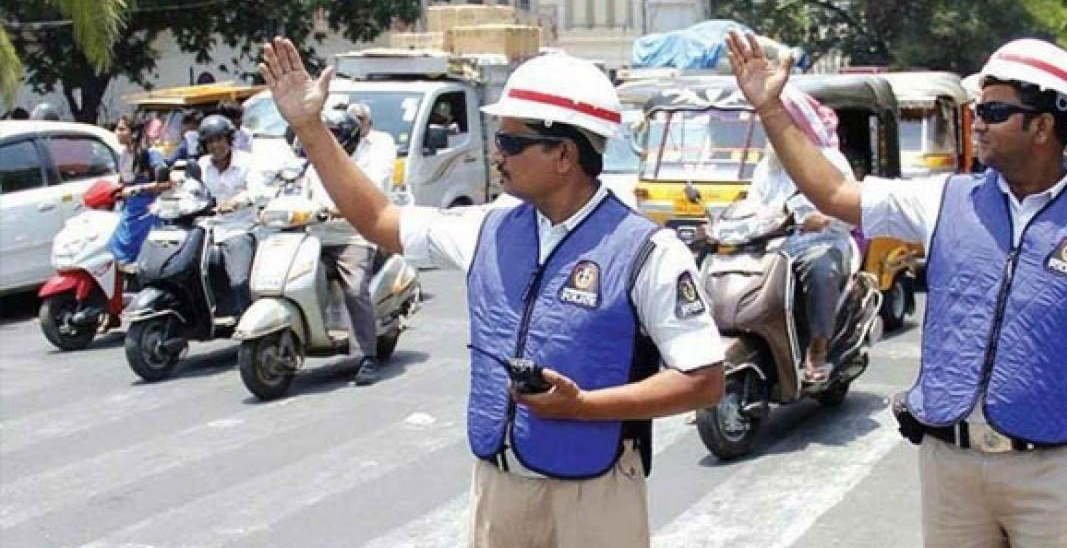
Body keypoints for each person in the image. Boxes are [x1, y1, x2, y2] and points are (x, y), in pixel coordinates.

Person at [260, 36, 724, 547]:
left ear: (565, 154)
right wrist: (310, 126)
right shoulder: (487, 228)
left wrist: (585, 406)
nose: (495, 154)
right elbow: (379, 219)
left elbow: (703, 381)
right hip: (501, 488)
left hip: (596, 497)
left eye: (510, 142)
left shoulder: (648, 252)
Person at [726, 32, 1067, 546]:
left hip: (1052, 475)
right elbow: (832, 192)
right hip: (951, 469)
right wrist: (770, 109)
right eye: (977, 109)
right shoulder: (946, 199)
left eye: (994, 110)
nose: (977, 121)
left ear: (1043, 125)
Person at [748, 109, 855, 383]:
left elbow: (851, 212)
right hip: (777, 242)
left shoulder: (830, 160)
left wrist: (827, 218)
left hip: (824, 241)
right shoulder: (767, 166)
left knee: (820, 268)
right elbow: (753, 208)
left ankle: (818, 348)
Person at [300, 109, 390, 386]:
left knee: (355, 289)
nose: (331, 141)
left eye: (336, 135)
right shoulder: (314, 166)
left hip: (353, 236)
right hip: (316, 238)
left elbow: (375, 196)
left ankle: (367, 357)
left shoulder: (367, 165)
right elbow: (302, 198)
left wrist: (344, 210)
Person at [196, 114, 260, 316]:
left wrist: (236, 202)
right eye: (210, 142)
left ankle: (248, 317)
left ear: (229, 140)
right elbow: (190, 188)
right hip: (207, 228)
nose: (215, 146)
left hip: (239, 227)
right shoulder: (201, 165)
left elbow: (257, 191)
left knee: (239, 280)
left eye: (219, 139)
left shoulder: (248, 162)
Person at [109, 116, 173, 274]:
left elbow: (166, 183)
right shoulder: (124, 155)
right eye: (117, 129)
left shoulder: (150, 154)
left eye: (122, 129)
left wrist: (139, 188)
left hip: (148, 210)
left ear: (135, 133)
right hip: (129, 207)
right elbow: (123, 181)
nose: (117, 133)